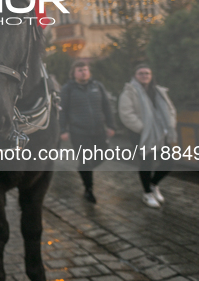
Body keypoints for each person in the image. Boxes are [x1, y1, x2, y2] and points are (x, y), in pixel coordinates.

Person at [119, 64, 176, 208]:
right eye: (141, 73)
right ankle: (147, 193)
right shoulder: (129, 92)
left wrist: (170, 125)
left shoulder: (159, 91)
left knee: (168, 162)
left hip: (161, 133)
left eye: (147, 73)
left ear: (151, 76)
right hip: (141, 134)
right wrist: (143, 129)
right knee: (147, 163)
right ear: (135, 76)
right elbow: (126, 114)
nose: (145, 76)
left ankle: (153, 184)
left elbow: (170, 109)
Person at [60, 61, 116, 203]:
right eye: (80, 70)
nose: (83, 72)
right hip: (79, 131)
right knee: (86, 161)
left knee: (103, 154)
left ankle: (84, 169)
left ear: (89, 72)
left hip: (99, 130)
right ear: (74, 73)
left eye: (85, 69)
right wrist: (63, 130)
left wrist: (111, 125)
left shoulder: (97, 86)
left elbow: (106, 107)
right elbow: (62, 111)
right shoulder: (67, 89)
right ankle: (88, 189)